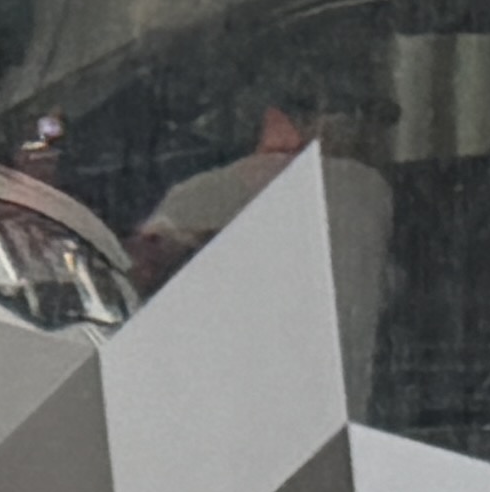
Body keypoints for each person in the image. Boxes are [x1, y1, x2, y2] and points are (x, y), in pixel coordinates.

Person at [132, 88, 390, 401]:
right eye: (348, 114)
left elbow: (140, 277)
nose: (364, 133)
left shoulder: (193, 198)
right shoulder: (362, 191)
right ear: (280, 120)